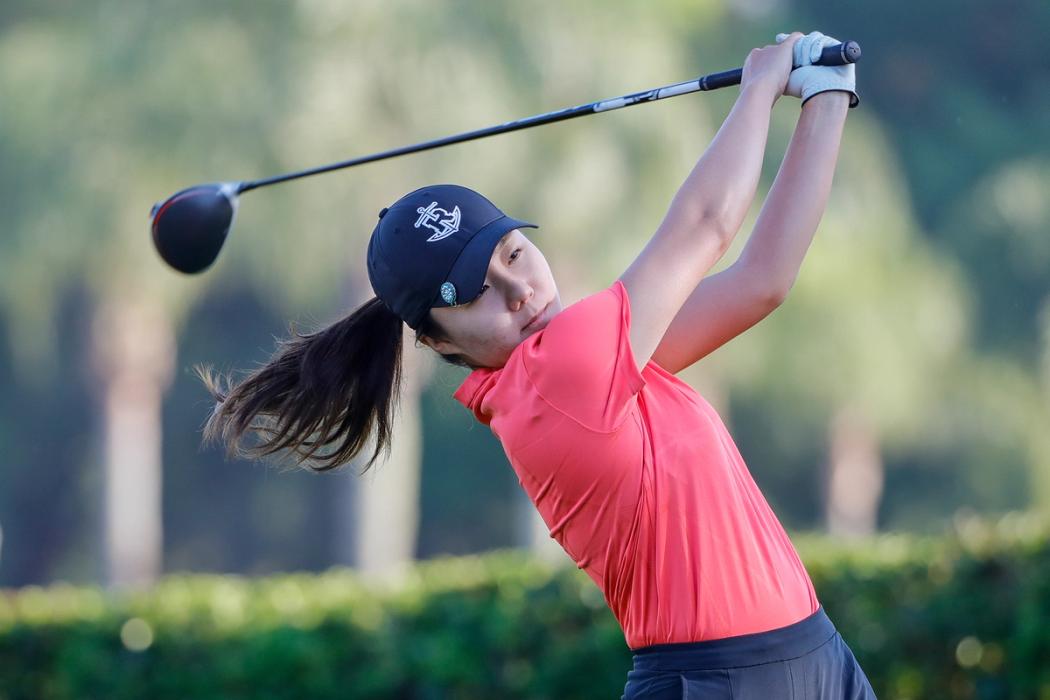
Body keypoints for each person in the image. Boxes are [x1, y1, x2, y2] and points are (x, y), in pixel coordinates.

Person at [198, 30, 874, 699]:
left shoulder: (599, 364)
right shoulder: (559, 378)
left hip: (814, 652)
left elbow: (761, 279)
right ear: (440, 344)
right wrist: (760, 87)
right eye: (476, 292)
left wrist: (826, 96)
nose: (519, 292)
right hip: (716, 681)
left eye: (515, 253)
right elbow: (704, 225)